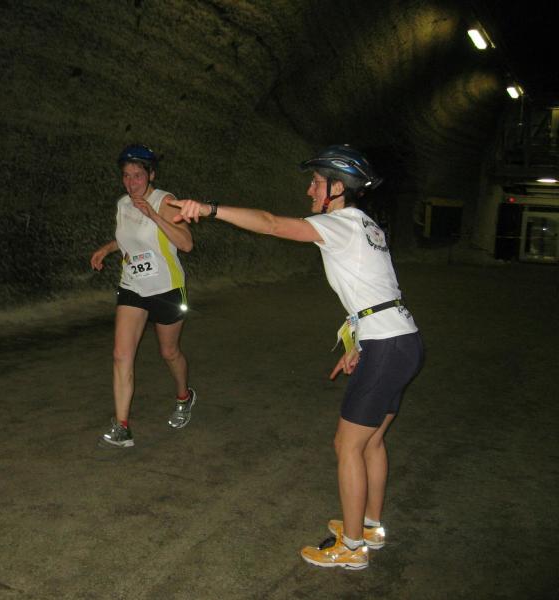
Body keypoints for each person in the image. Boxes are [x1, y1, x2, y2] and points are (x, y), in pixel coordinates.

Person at [169, 145, 423, 570]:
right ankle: (370, 527)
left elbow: (271, 224)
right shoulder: (366, 226)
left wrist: (210, 209)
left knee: (347, 444)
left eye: (316, 183)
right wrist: (358, 345)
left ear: (338, 188)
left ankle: (352, 547)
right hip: (400, 341)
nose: (309, 190)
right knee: (372, 441)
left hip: (387, 345)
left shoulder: (337, 224)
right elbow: (376, 290)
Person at [90, 144, 197, 448]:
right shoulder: (123, 204)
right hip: (133, 286)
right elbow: (127, 237)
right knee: (121, 354)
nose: (131, 182)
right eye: (126, 175)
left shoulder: (167, 202)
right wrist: (107, 248)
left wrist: (153, 215)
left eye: (137, 175)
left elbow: (186, 244)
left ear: (151, 175)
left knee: (169, 352)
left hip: (166, 288)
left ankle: (184, 396)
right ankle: (122, 426)